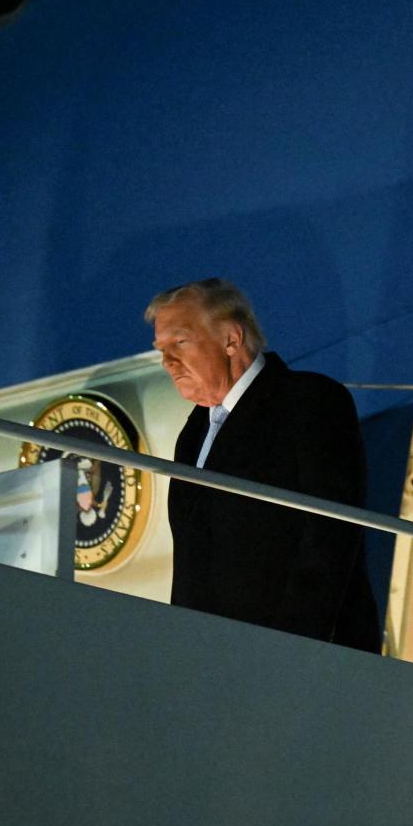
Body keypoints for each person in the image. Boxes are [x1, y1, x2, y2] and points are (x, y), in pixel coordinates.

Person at [145, 278, 378, 652]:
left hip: (297, 656)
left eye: (180, 342)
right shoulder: (193, 433)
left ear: (231, 339)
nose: (167, 362)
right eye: (161, 349)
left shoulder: (308, 400)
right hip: (210, 660)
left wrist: (289, 649)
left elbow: (330, 535)